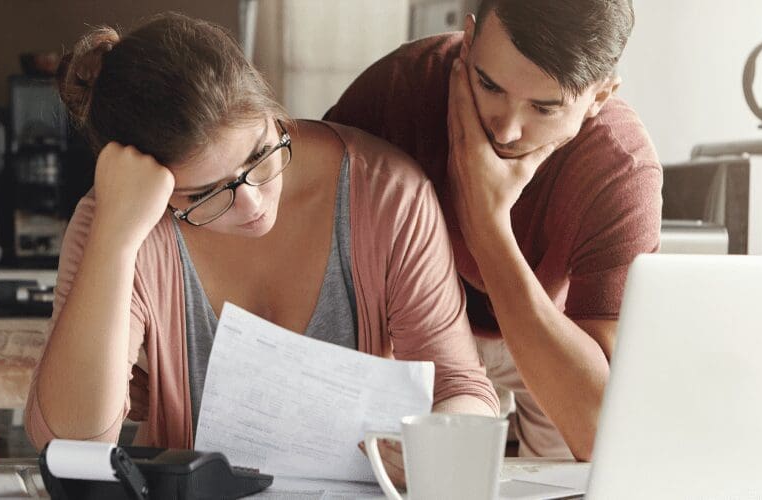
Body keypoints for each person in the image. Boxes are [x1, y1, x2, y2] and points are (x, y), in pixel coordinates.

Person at [24, 12, 499, 457]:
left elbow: (461, 387)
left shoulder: (387, 193)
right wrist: (116, 239)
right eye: (204, 194)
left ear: (271, 111)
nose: (253, 204)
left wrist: (434, 448)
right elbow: (69, 442)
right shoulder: (115, 222)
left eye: (259, 156)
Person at [325, 0, 662, 460]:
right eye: (488, 85)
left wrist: (486, 225)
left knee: (583, 474)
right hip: (415, 330)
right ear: (468, 41)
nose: (506, 130)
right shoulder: (399, 88)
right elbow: (316, 249)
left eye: (544, 108)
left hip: (551, 329)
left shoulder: (620, 168)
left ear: (599, 97)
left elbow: (599, 429)